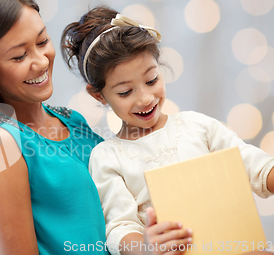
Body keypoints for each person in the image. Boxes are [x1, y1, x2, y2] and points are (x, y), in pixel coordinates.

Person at [61, 6, 274, 255]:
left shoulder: (198, 126)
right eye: (125, 92)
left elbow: (258, 168)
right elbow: (120, 228)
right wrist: (146, 246)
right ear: (98, 95)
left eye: (152, 80)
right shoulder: (107, 156)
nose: (144, 98)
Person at [0, 0, 110, 254]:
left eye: (43, 41)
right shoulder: (0, 145)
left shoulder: (73, 119)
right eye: (19, 56)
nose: (41, 62)